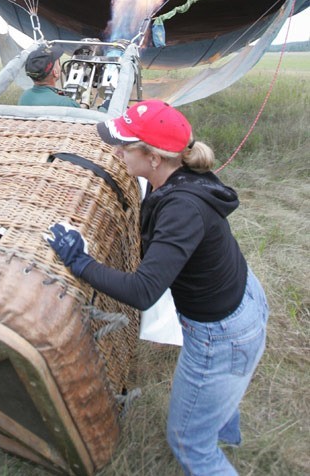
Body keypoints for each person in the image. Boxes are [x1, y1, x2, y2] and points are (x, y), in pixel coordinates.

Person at [47, 99, 268, 475]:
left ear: (152, 157)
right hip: (243, 298)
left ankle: (212, 447)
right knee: (222, 393)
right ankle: (226, 434)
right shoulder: (180, 176)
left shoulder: (181, 208)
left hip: (222, 332)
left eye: (124, 145)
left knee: (188, 444)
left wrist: (79, 261)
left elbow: (142, 291)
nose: (116, 151)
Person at [18, 43, 85, 108]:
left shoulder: (24, 97)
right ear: (55, 72)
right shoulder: (66, 104)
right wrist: (85, 103)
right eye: (58, 63)